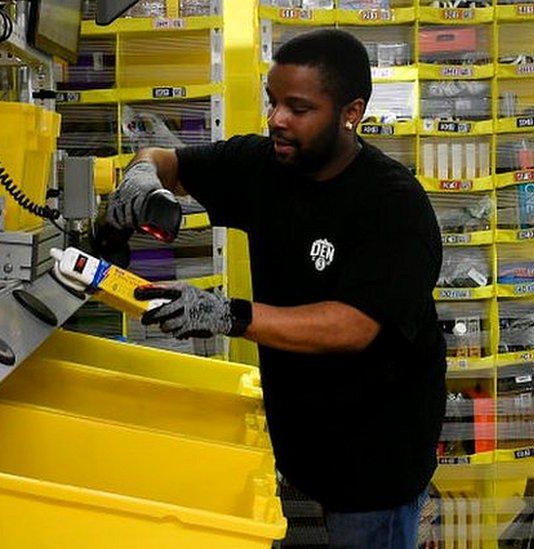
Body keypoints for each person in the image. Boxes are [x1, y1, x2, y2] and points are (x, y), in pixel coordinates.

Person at [106, 28, 446, 549]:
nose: (276, 119)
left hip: (374, 463)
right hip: (298, 446)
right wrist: (141, 176)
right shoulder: (264, 164)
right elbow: (168, 161)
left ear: (351, 112)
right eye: (273, 101)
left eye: (298, 107)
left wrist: (229, 315)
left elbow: (352, 326)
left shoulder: (393, 203)